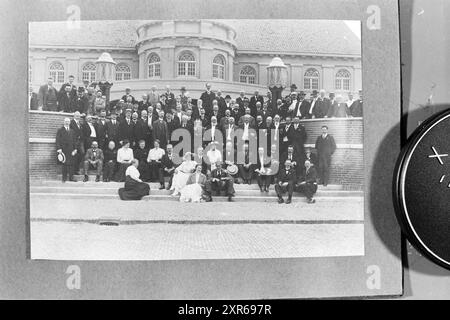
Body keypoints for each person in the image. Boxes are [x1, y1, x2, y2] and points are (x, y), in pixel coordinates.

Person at [56, 117, 77, 182]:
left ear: (69, 122)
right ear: (64, 122)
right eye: (66, 121)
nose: (67, 122)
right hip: (63, 149)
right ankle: (64, 178)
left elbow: (74, 141)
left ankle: (71, 177)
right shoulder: (60, 130)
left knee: (71, 164)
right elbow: (57, 140)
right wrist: (59, 148)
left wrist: (75, 149)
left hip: (71, 150)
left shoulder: (72, 131)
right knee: (64, 163)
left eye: (68, 121)